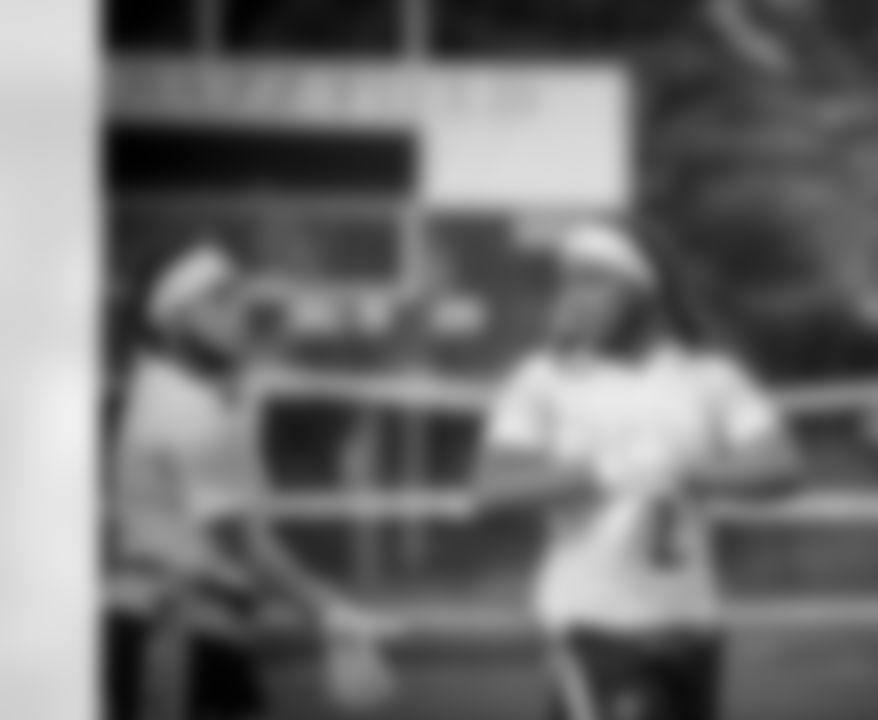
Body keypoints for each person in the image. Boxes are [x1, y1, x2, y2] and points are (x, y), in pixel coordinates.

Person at [469, 220, 803, 720]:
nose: (574, 297)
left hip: (691, 623)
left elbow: (782, 466)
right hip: (594, 626)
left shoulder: (709, 377)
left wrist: (687, 472)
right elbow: (492, 486)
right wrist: (605, 471)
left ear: (644, 290)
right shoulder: (543, 380)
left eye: (594, 281)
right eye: (569, 281)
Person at [104, 242, 390, 720]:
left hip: (184, 626)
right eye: (219, 297)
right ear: (176, 319)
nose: (241, 307)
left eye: (239, 292)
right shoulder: (186, 410)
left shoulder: (184, 390)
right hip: (174, 634)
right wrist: (330, 612)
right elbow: (241, 542)